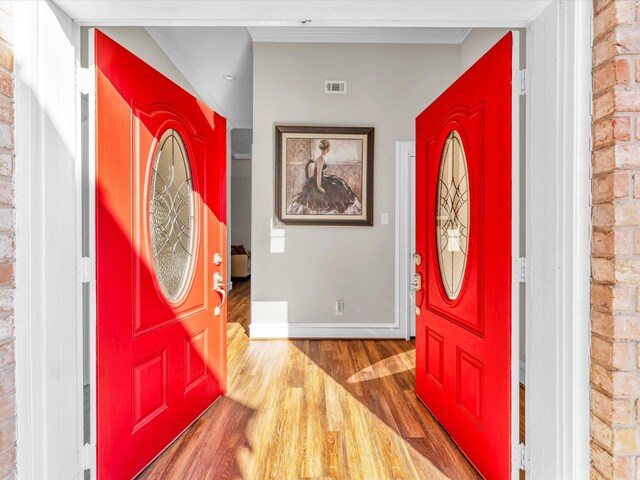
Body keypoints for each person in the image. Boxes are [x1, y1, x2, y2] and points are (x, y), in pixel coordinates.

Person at [287, 139, 362, 215]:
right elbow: (318, 174)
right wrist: (319, 187)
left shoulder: (322, 157)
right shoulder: (321, 158)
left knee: (339, 184)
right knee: (336, 188)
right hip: (318, 180)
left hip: (323, 178)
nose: (329, 149)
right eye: (329, 147)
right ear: (327, 148)